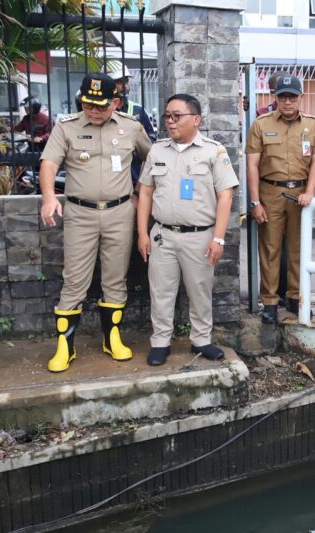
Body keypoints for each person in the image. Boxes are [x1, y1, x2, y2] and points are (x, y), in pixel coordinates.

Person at [39, 73, 151, 373]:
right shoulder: (67, 127)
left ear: (115, 102)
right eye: (88, 104)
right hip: (80, 213)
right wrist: (49, 197)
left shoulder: (131, 127)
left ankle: (111, 338)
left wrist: (141, 191)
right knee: (75, 278)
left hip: (120, 213)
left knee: (116, 277)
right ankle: (65, 345)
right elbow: (49, 163)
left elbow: (151, 161)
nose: (94, 111)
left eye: (101, 105)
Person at [137, 94, 238, 365]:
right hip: (163, 235)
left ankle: (201, 340)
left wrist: (218, 238)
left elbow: (225, 196)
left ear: (196, 119)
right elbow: (145, 193)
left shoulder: (213, 151)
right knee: (161, 290)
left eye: (176, 116)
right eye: (167, 116)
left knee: (200, 290)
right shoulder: (157, 151)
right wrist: (142, 233)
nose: (170, 121)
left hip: (200, 236)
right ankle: (160, 341)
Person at [246, 75, 315, 324]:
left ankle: (295, 296)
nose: (287, 101)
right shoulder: (261, 124)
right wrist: (255, 202)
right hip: (271, 192)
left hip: (300, 194)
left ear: (301, 97)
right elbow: (252, 165)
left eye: (292, 96)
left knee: (298, 248)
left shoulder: (312, 125)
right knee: (270, 249)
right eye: (283, 96)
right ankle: (269, 302)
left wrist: (311, 192)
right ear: (276, 98)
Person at [107, 61, 157, 186]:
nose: (124, 86)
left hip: (134, 176)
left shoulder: (138, 110)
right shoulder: (100, 112)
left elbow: (151, 141)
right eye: (119, 81)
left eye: (126, 81)